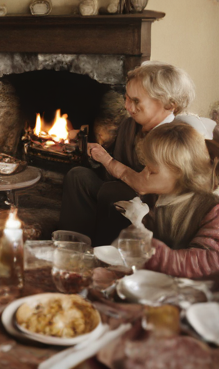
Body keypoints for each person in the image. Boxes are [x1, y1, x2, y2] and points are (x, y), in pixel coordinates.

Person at [58, 61, 195, 246]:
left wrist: (108, 161)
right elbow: (112, 169)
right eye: (127, 98)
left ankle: (105, 256)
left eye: (136, 101)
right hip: (121, 190)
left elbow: (145, 186)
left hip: (156, 208)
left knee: (112, 192)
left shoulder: (176, 137)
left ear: (169, 104)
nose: (128, 107)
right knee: (78, 176)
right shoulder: (129, 125)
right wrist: (95, 156)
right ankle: (73, 246)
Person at [118, 123, 219, 278]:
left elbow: (208, 262)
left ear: (180, 172)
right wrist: (139, 221)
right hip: (154, 281)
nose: (144, 174)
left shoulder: (211, 210)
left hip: (190, 292)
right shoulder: (155, 198)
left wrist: (151, 247)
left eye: (152, 171)